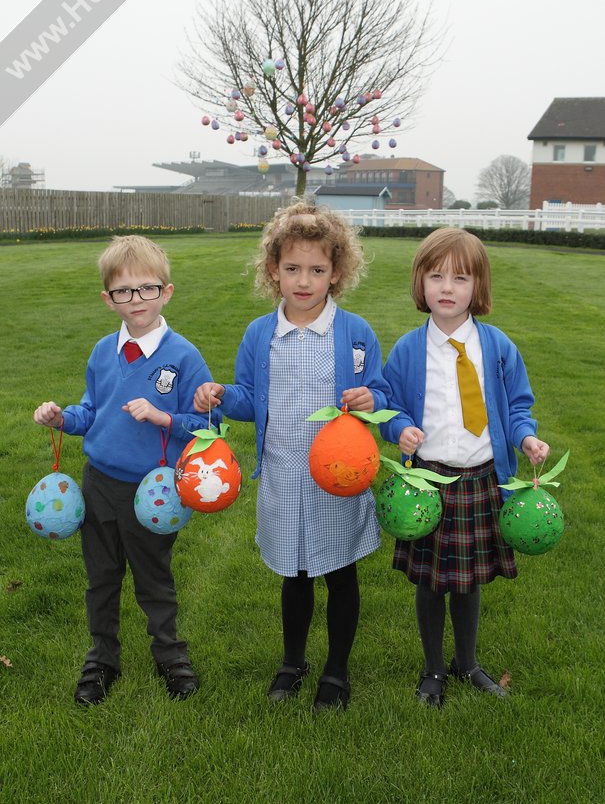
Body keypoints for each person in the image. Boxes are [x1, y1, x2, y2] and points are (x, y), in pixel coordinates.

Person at [194, 201, 390, 711]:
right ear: (273, 271)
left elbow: (382, 395)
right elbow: (246, 398)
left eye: (317, 270)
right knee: (295, 575)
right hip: (283, 475)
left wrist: (373, 400)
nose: (304, 281)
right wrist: (219, 393)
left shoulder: (355, 334)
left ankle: (337, 669)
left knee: (340, 572)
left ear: (337, 273)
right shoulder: (261, 334)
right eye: (292, 269)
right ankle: (292, 660)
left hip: (338, 478)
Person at [33, 235, 219, 705]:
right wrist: (62, 419)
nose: (136, 300)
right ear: (108, 298)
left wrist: (164, 418)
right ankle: (102, 657)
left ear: (167, 292)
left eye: (147, 289)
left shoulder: (184, 356)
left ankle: (170, 653)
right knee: (102, 576)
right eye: (124, 291)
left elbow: (207, 426)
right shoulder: (102, 352)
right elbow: (91, 411)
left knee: (153, 576)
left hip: (154, 490)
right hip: (100, 484)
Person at [380, 227, 550, 707]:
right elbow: (390, 406)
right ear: (421, 284)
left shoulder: (496, 346)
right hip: (430, 482)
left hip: (481, 480)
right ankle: (433, 669)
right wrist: (400, 430)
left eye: (460, 277)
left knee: (469, 580)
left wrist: (527, 437)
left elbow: (518, 406)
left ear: (478, 286)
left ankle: (468, 663)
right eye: (436, 276)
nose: (447, 287)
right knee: (432, 581)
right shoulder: (410, 350)